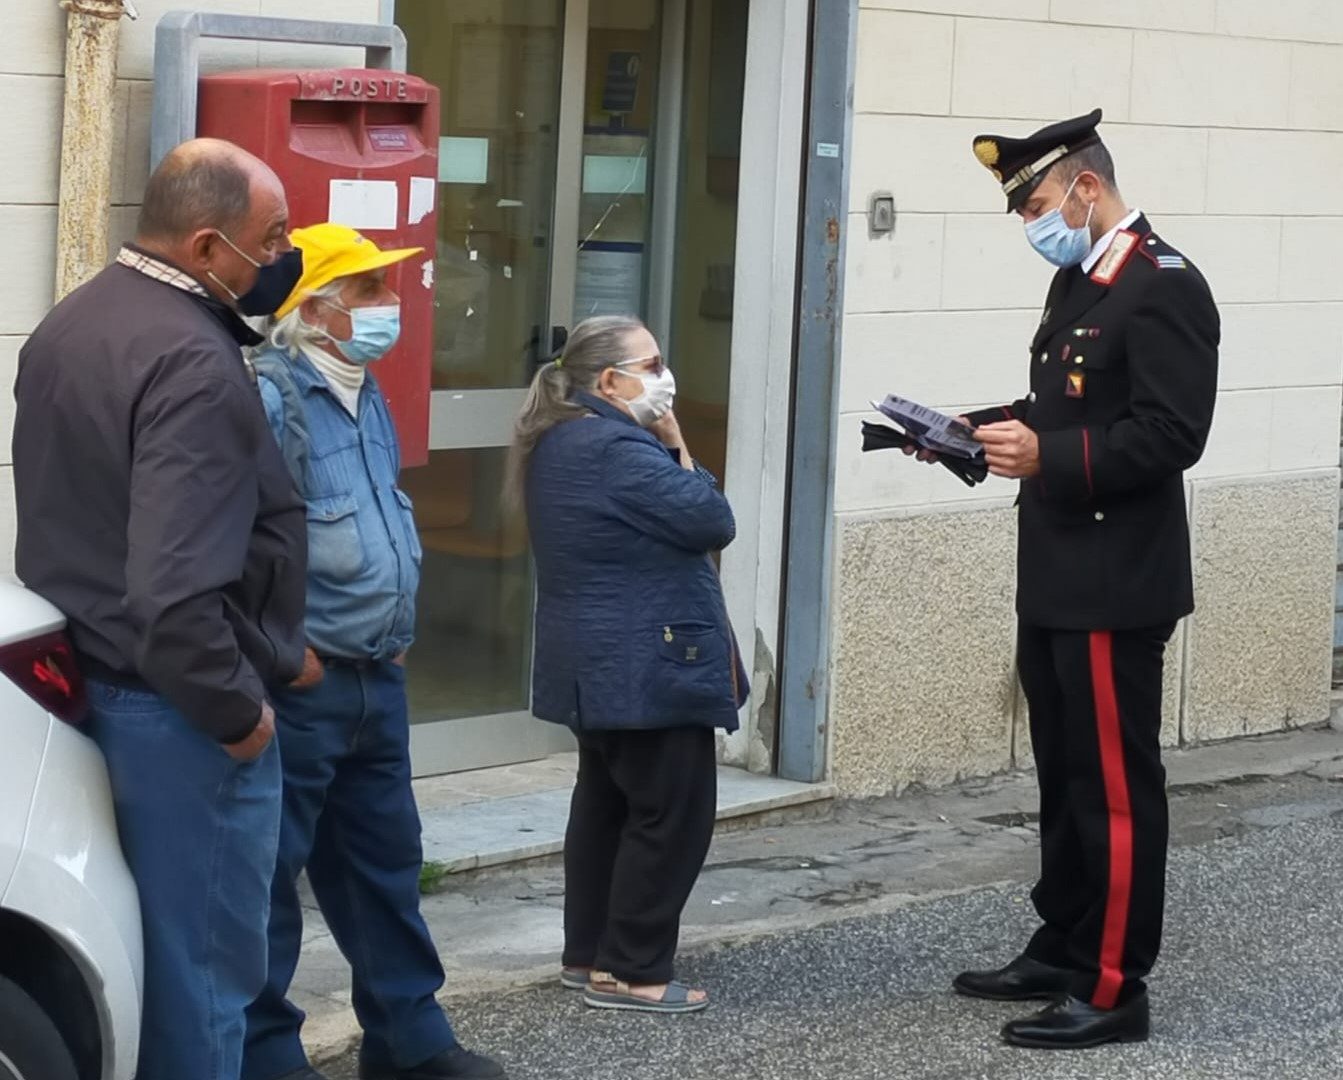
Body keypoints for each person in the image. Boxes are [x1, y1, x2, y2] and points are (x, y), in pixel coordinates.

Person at [11, 138, 309, 1080]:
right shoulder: (191, 358)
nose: (286, 256)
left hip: (94, 679)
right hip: (177, 711)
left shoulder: (75, 320)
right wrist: (237, 715)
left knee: (156, 964)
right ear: (210, 246)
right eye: (274, 238)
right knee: (200, 980)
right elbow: (176, 591)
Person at [943, 109, 1219, 1049]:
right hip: (1057, 572)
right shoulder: (1082, 278)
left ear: (1087, 190)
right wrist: (972, 431)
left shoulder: (1160, 287)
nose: (1032, 224)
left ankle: (1111, 984)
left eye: (1037, 205)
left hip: (1114, 580)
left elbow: (1172, 434)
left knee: (1111, 785)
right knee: (1062, 775)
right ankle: (1062, 941)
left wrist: (1049, 461)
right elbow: (1063, 403)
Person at [241, 223, 505, 1080]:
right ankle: (267, 1055)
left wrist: (391, 642)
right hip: (307, 682)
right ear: (314, 310)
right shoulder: (274, 395)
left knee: (385, 866)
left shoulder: (368, 391)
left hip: (375, 674)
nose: (390, 305)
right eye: (368, 293)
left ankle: (410, 1043)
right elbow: (246, 544)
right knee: (271, 879)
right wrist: (293, 657)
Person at [509, 315, 749, 1015]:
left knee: (607, 808)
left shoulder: (562, 437)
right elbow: (711, 520)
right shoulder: (613, 446)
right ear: (609, 380)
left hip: (601, 664)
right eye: (649, 363)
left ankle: (589, 956)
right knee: (670, 815)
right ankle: (634, 970)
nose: (662, 375)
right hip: (647, 663)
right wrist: (676, 444)